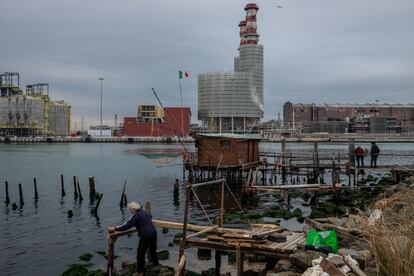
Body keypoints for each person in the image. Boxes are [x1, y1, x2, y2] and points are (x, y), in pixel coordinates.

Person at [109, 201, 159, 275]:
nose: (130, 211)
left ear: (133, 209)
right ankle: (156, 266)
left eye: (130, 210)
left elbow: (127, 226)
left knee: (140, 253)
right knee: (152, 250)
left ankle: (140, 272)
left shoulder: (136, 215)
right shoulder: (145, 213)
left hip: (145, 235)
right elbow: (150, 217)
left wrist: (115, 228)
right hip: (154, 233)